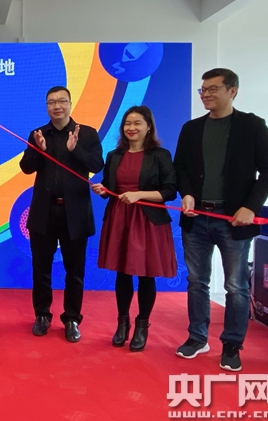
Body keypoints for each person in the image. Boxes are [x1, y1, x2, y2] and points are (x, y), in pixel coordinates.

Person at [174, 68, 268, 372]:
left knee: (236, 285)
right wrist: (187, 194)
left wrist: (250, 207)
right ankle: (197, 337)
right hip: (197, 218)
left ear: (232, 91)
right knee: (196, 281)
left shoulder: (252, 126)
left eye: (213, 89)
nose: (206, 94)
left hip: (234, 220)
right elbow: (181, 169)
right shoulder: (191, 129)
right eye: (203, 90)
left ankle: (232, 344)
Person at [20, 86, 104, 342]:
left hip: (75, 213)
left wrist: (74, 149)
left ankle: (71, 319)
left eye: (61, 101)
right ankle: (42, 315)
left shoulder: (86, 133)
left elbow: (96, 164)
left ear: (70, 103)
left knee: (74, 271)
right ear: (46, 106)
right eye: (51, 102)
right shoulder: (38, 134)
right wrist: (39, 150)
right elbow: (26, 168)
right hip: (44, 212)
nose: (57, 106)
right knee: (41, 269)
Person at [92, 106, 177, 352]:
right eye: (127, 123)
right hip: (120, 218)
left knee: (145, 274)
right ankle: (122, 323)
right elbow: (110, 188)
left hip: (147, 221)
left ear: (148, 126)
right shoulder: (114, 155)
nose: (131, 128)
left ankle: (142, 325)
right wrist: (102, 190)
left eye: (137, 123)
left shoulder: (160, 155)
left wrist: (139, 194)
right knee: (122, 273)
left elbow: (170, 191)